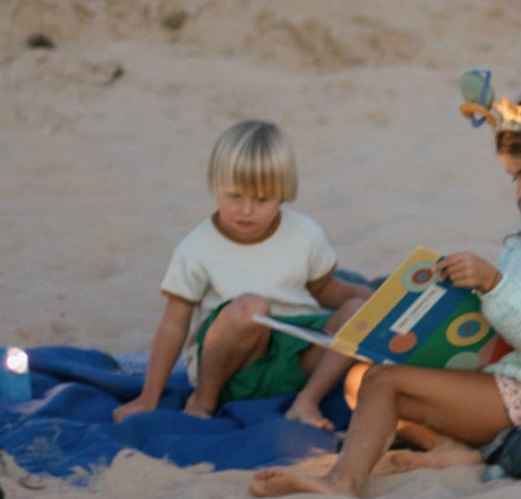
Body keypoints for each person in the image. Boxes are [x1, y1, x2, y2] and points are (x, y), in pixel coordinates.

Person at [250, 84, 521, 498]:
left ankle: (343, 481)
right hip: (510, 380)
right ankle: (456, 449)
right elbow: (505, 324)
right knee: (361, 381)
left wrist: (492, 283)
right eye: (514, 179)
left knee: (385, 384)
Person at [112, 119, 369, 430]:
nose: (246, 210)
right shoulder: (197, 247)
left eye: (262, 200)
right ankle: (204, 402)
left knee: (359, 311)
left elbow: (327, 290)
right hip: (231, 367)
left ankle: (307, 401)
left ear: (284, 194)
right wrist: (148, 397)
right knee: (251, 308)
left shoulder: (304, 233)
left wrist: (377, 299)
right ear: (215, 186)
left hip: (296, 359)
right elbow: (173, 325)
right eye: (234, 196)